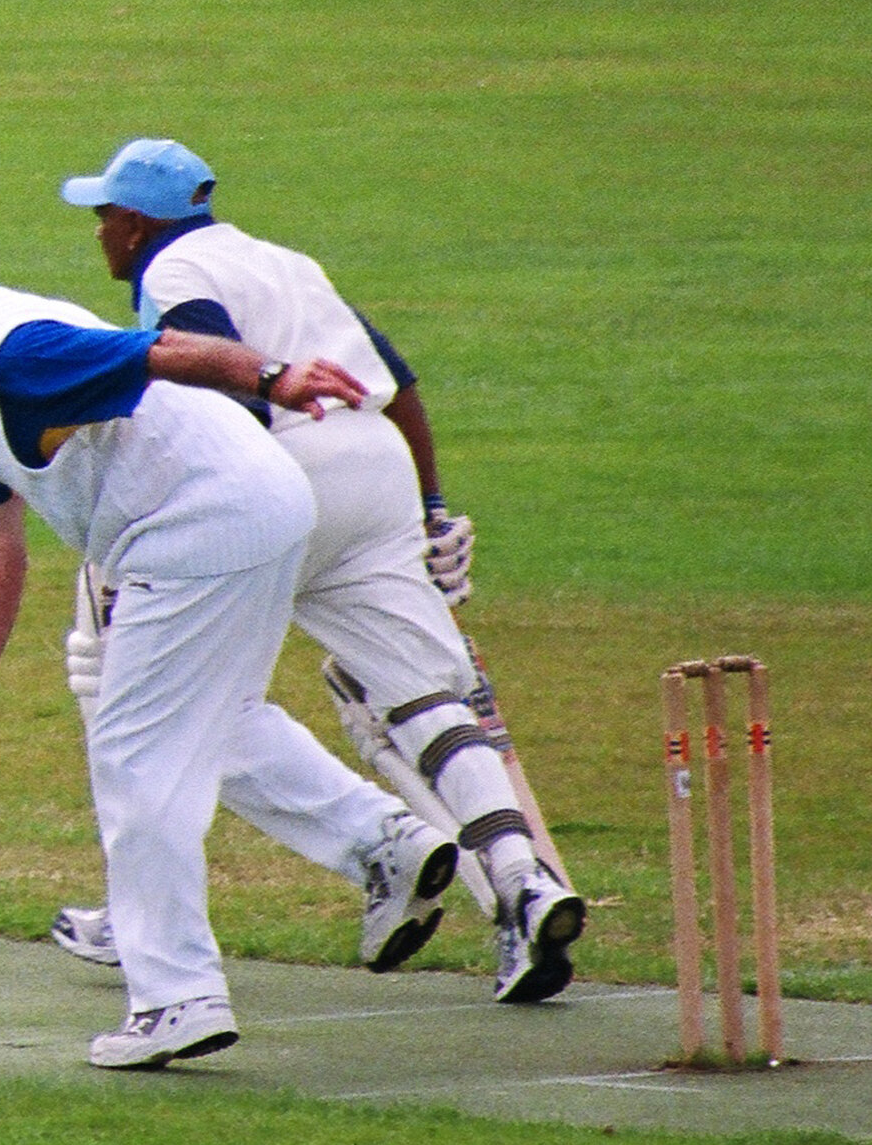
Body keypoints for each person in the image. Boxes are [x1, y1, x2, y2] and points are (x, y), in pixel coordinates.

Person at [49, 138, 586, 1004]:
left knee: (151, 691)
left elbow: (226, 392)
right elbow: (397, 384)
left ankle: (146, 912)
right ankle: (523, 884)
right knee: (425, 696)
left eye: (104, 215)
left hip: (279, 473)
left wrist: (192, 516)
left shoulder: (172, 272)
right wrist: (430, 507)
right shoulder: (284, 260)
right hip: (374, 470)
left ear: (136, 222)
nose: (99, 232)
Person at [0, 233, 372, 1071]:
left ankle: (177, 996)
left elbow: (165, 348)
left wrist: (275, 377)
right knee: (219, 722)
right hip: (238, 511)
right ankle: (390, 848)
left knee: (135, 754)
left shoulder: (15, 354)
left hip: (203, 521)